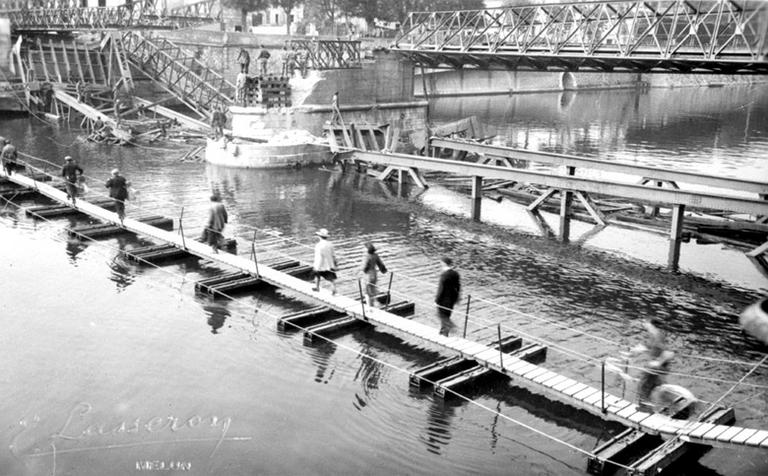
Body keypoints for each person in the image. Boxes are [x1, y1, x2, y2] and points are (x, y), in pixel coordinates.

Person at [632, 318, 674, 412]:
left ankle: (644, 410)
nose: (644, 324)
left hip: (655, 368)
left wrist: (658, 362)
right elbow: (650, 346)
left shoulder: (658, 336)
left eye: (646, 323)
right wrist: (639, 349)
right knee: (657, 386)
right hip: (655, 368)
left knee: (643, 387)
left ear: (652, 325)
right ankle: (669, 403)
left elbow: (669, 353)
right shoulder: (655, 335)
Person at [435, 257, 461, 336]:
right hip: (451, 299)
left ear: (444, 264)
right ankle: (444, 332)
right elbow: (458, 287)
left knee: (441, 315)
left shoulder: (444, 275)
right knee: (447, 315)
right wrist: (456, 298)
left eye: (441, 263)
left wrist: (437, 300)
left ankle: (450, 327)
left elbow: (441, 289)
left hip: (443, 299)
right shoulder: (455, 274)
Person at [360, 242, 387, 308]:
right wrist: (384, 270)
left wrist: (360, 272)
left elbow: (364, 267)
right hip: (374, 274)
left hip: (367, 275)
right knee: (372, 290)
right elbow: (381, 265)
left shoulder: (366, 256)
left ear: (367, 249)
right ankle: (375, 303)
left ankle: (369, 308)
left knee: (366, 292)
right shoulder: (375, 255)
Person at [312, 228, 337, 295]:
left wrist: (315, 265)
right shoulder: (330, 244)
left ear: (319, 236)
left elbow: (317, 256)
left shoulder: (318, 245)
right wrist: (335, 264)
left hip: (319, 264)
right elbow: (333, 255)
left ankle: (317, 287)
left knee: (317, 276)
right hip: (329, 264)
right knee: (331, 278)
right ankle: (334, 289)